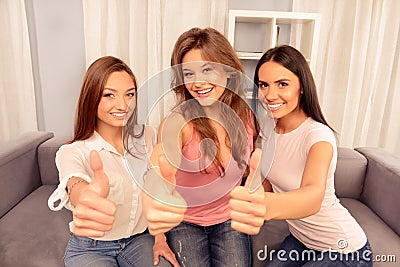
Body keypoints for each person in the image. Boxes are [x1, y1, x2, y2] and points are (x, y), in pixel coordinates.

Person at [229, 45, 373, 266]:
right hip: (301, 241)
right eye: (263, 85)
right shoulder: (268, 125)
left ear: (302, 87)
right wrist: (248, 192)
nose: (269, 95)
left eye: (282, 84)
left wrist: (262, 205)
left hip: (345, 250)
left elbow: (312, 196)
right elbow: (268, 179)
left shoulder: (318, 137)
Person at [141, 27, 266, 267]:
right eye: (189, 73)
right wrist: (158, 236)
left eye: (207, 69)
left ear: (227, 70)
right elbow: (158, 172)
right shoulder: (177, 122)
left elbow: (251, 171)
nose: (198, 83)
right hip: (186, 223)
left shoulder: (247, 119)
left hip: (229, 218)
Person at [47, 56, 179, 267]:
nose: (123, 105)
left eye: (130, 95)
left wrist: (160, 238)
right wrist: (86, 195)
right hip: (90, 248)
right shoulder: (73, 151)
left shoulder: (149, 137)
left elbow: (156, 194)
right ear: (91, 98)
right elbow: (74, 182)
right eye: (109, 95)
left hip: (139, 240)